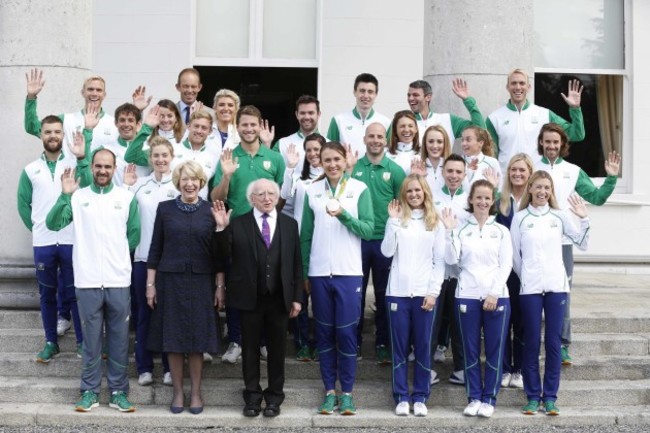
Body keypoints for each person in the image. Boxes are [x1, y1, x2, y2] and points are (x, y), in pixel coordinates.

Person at [46, 148, 140, 413]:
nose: (102, 171)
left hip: (118, 280)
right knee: (90, 340)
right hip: (86, 280)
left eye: (107, 167)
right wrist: (65, 194)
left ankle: (119, 392)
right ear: (92, 167)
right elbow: (53, 223)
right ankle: (89, 391)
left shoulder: (126, 197)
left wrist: (118, 258)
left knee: (120, 339)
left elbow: (134, 236)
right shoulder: (77, 197)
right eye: (98, 166)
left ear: (114, 168)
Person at [213, 179, 303, 418]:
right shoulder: (238, 223)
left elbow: (296, 263)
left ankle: (274, 397)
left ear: (277, 197)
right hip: (247, 298)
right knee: (250, 350)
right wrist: (221, 229)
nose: (266, 197)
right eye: (260, 194)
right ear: (251, 198)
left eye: (271, 193)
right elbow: (223, 255)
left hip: (279, 298)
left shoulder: (290, 224)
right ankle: (252, 397)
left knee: (277, 351)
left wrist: (297, 298)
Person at [534, 123, 620, 365]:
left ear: (562, 145)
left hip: (562, 242)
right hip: (533, 240)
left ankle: (561, 345)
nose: (551, 146)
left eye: (555, 142)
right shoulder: (530, 166)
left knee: (562, 295)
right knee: (529, 293)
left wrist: (611, 178)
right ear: (541, 142)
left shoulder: (573, 171)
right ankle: (527, 344)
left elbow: (597, 198)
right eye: (547, 141)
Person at [300, 141, 374, 415]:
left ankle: (348, 393)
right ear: (319, 162)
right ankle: (329, 391)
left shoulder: (358, 189)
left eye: (336, 159)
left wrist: (344, 216)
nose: (331, 164)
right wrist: (305, 272)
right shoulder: (312, 190)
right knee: (324, 334)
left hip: (348, 272)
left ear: (345, 161)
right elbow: (305, 235)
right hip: (319, 273)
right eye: (326, 160)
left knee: (346, 333)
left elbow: (368, 230)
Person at [145, 161, 223, 414]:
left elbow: (220, 255)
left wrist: (220, 286)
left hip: (202, 282)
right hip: (171, 282)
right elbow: (155, 248)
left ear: (201, 183)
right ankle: (178, 392)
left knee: (197, 340)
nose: (189, 184)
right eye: (184, 179)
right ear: (178, 182)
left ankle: (197, 393)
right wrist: (150, 285)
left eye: (194, 179)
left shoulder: (212, 210)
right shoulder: (165, 209)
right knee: (174, 340)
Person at [210, 105, 286, 364]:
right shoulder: (229, 157)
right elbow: (216, 199)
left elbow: (281, 196)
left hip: (267, 232)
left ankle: (264, 341)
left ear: (259, 126)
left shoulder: (274, 158)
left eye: (253, 124)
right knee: (236, 285)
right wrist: (227, 177)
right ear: (237, 127)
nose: (249, 129)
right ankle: (236, 340)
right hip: (237, 231)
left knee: (267, 286)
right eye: (244, 125)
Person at [511, 170, 590, 416]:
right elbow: (515, 256)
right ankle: (533, 397)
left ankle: (551, 398)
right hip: (531, 288)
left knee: (554, 344)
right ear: (530, 189)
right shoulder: (520, 218)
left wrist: (584, 219)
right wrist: (528, 277)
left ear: (551, 191)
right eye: (539, 187)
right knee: (532, 342)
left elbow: (582, 243)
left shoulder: (559, 216)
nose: (543, 192)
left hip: (557, 287)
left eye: (547, 188)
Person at [441, 180, 513, 418]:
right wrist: (450, 231)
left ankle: (489, 398)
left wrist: (494, 292)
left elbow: (506, 265)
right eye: (478, 197)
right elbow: (452, 259)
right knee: (470, 350)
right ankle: (473, 398)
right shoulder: (462, 229)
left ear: (492, 201)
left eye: (487, 198)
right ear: (471, 200)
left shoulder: (501, 231)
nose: (482, 202)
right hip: (467, 296)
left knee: (494, 349)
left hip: (497, 297)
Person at [17, 115, 83, 363]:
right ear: (41, 135)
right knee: (46, 294)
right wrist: (37, 227)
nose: (53, 136)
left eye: (57, 132)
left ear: (62, 135)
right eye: (48, 132)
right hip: (43, 242)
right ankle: (50, 342)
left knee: (75, 292)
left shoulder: (74, 164)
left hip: (71, 239)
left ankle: (83, 343)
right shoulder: (30, 169)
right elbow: (23, 205)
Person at [380, 174, 445, 417]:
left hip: (424, 295)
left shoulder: (434, 222)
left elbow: (439, 262)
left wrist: (433, 292)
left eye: (418, 190)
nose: (414, 194)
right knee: (398, 348)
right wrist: (393, 222)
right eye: (409, 191)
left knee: (423, 347)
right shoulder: (397, 220)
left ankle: (420, 396)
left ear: (425, 192)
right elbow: (386, 252)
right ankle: (401, 397)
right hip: (397, 293)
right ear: (404, 195)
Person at [123, 137, 179, 387]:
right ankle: (144, 367)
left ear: (172, 157)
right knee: (143, 315)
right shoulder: (140, 186)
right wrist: (126, 188)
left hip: (170, 263)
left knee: (168, 316)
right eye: (156, 155)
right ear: (150, 159)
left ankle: (169, 368)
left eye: (164, 155)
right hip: (142, 259)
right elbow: (126, 218)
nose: (160, 159)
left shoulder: (179, 187)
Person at [352, 122, 406, 364]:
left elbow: (403, 205)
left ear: (386, 141)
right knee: (357, 295)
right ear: (364, 139)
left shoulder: (395, 170)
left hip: (385, 243)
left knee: (385, 295)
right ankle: (354, 343)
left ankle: (383, 342)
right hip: (357, 241)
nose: (375, 140)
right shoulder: (353, 168)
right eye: (371, 136)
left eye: (379, 137)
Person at [279, 133, 325, 361]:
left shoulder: (331, 180)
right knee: (300, 296)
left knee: (319, 297)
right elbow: (284, 194)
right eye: (309, 150)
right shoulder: (299, 177)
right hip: (299, 244)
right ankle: (302, 343)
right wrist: (290, 167)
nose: (313, 154)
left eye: (317, 149)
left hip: (323, 245)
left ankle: (318, 342)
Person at [486, 69, 585, 173]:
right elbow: (489, 155)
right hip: (506, 180)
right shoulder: (494, 118)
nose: (518, 87)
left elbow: (577, 135)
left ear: (529, 87)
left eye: (522, 83)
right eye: (513, 83)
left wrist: (575, 109)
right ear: (507, 87)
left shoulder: (544, 114)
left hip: (536, 181)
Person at [495, 153, 535, 389]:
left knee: (522, 322)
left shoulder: (534, 203)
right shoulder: (500, 202)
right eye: (513, 170)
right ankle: (504, 368)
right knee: (503, 320)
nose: (518, 174)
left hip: (527, 272)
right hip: (503, 271)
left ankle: (519, 368)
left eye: (522, 170)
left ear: (530, 173)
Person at [24, 69, 119, 158]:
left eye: (99, 90)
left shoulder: (114, 124)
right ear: (82, 93)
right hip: (69, 175)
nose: (94, 93)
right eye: (90, 89)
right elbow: (33, 128)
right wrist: (31, 97)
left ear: (104, 95)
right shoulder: (66, 120)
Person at [275, 95, 321, 218]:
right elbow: (272, 178)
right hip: (287, 213)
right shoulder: (282, 143)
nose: (307, 117)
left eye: (311, 113)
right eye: (302, 113)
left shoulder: (329, 144)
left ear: (319, 114)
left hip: (319, 212)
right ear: (296, 114)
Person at [327, 73, 391, 157]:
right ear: (354, 92)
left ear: (376, 94)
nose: (366, 95)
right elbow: (329, 153)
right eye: (362, 91)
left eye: (370, 92)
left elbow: (389, 154)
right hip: (348, 170)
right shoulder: (338, 120)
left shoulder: (386, 122)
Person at [406, 79, 486, 142]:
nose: (410, 98)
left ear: (428, 97)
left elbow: (480, 131)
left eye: (415, 95)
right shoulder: (403, 123)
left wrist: (468, 101)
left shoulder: (448, 120)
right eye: (409, 95)